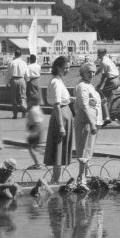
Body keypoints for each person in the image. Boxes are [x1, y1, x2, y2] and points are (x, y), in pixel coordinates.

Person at [43, 56, 76, 184]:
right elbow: (56, 104)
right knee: (58, 147)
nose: (67, 70)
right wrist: (61, 125)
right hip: (61, 115)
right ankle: (57, 178)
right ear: (58, 67)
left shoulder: (58, 80)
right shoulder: (56, 82)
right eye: (65, 68)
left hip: (64, 113)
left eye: (68, 68)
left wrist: (70, 99)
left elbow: (61, 100)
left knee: (60, 147)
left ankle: (57, 177)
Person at [72, 62, 102, 186]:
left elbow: (89, 103)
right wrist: (92, 124)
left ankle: (85, 173)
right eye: (89, 71)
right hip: (86, 122)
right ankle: (81, 176)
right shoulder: (82, 86)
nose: (92, 74)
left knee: (88, 148)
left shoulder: (89, 85)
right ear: (83, 72)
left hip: (91, 121)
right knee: (83, 148)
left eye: (94, 71)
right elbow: (84, 106)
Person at [94, 48, 120, 126]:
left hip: (112, 81)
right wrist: (93, 74)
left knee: (103, 98)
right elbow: (100, 69)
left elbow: (104, 75)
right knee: (108, 97)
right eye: (97, 52)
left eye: (99, 53)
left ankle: (106, 118)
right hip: (117, 79)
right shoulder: (107, 59)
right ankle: (109, 111)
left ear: (103, 53)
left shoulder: (103, 61)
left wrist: (99, 85)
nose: (97, 54)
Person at [7, 49, 28, 118]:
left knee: (14, 98)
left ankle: (15, 114)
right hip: (22, 80)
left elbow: (8, 74)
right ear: (20, 55)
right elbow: (27, 74)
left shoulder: (11, 63)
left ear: (15, 55)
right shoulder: (24, 63)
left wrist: (7, 82)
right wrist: (27, 80)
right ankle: (24, 112)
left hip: (13, 80)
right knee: (23, 96)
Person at [25, 103, 44, 169]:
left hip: (35, 129)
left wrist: (33, 132)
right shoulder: (37, 107)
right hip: (38, 128)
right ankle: (38, 163)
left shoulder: (33, 110)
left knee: (31, 148)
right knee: (34, 147)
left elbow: (36, 121)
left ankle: (37, 163)